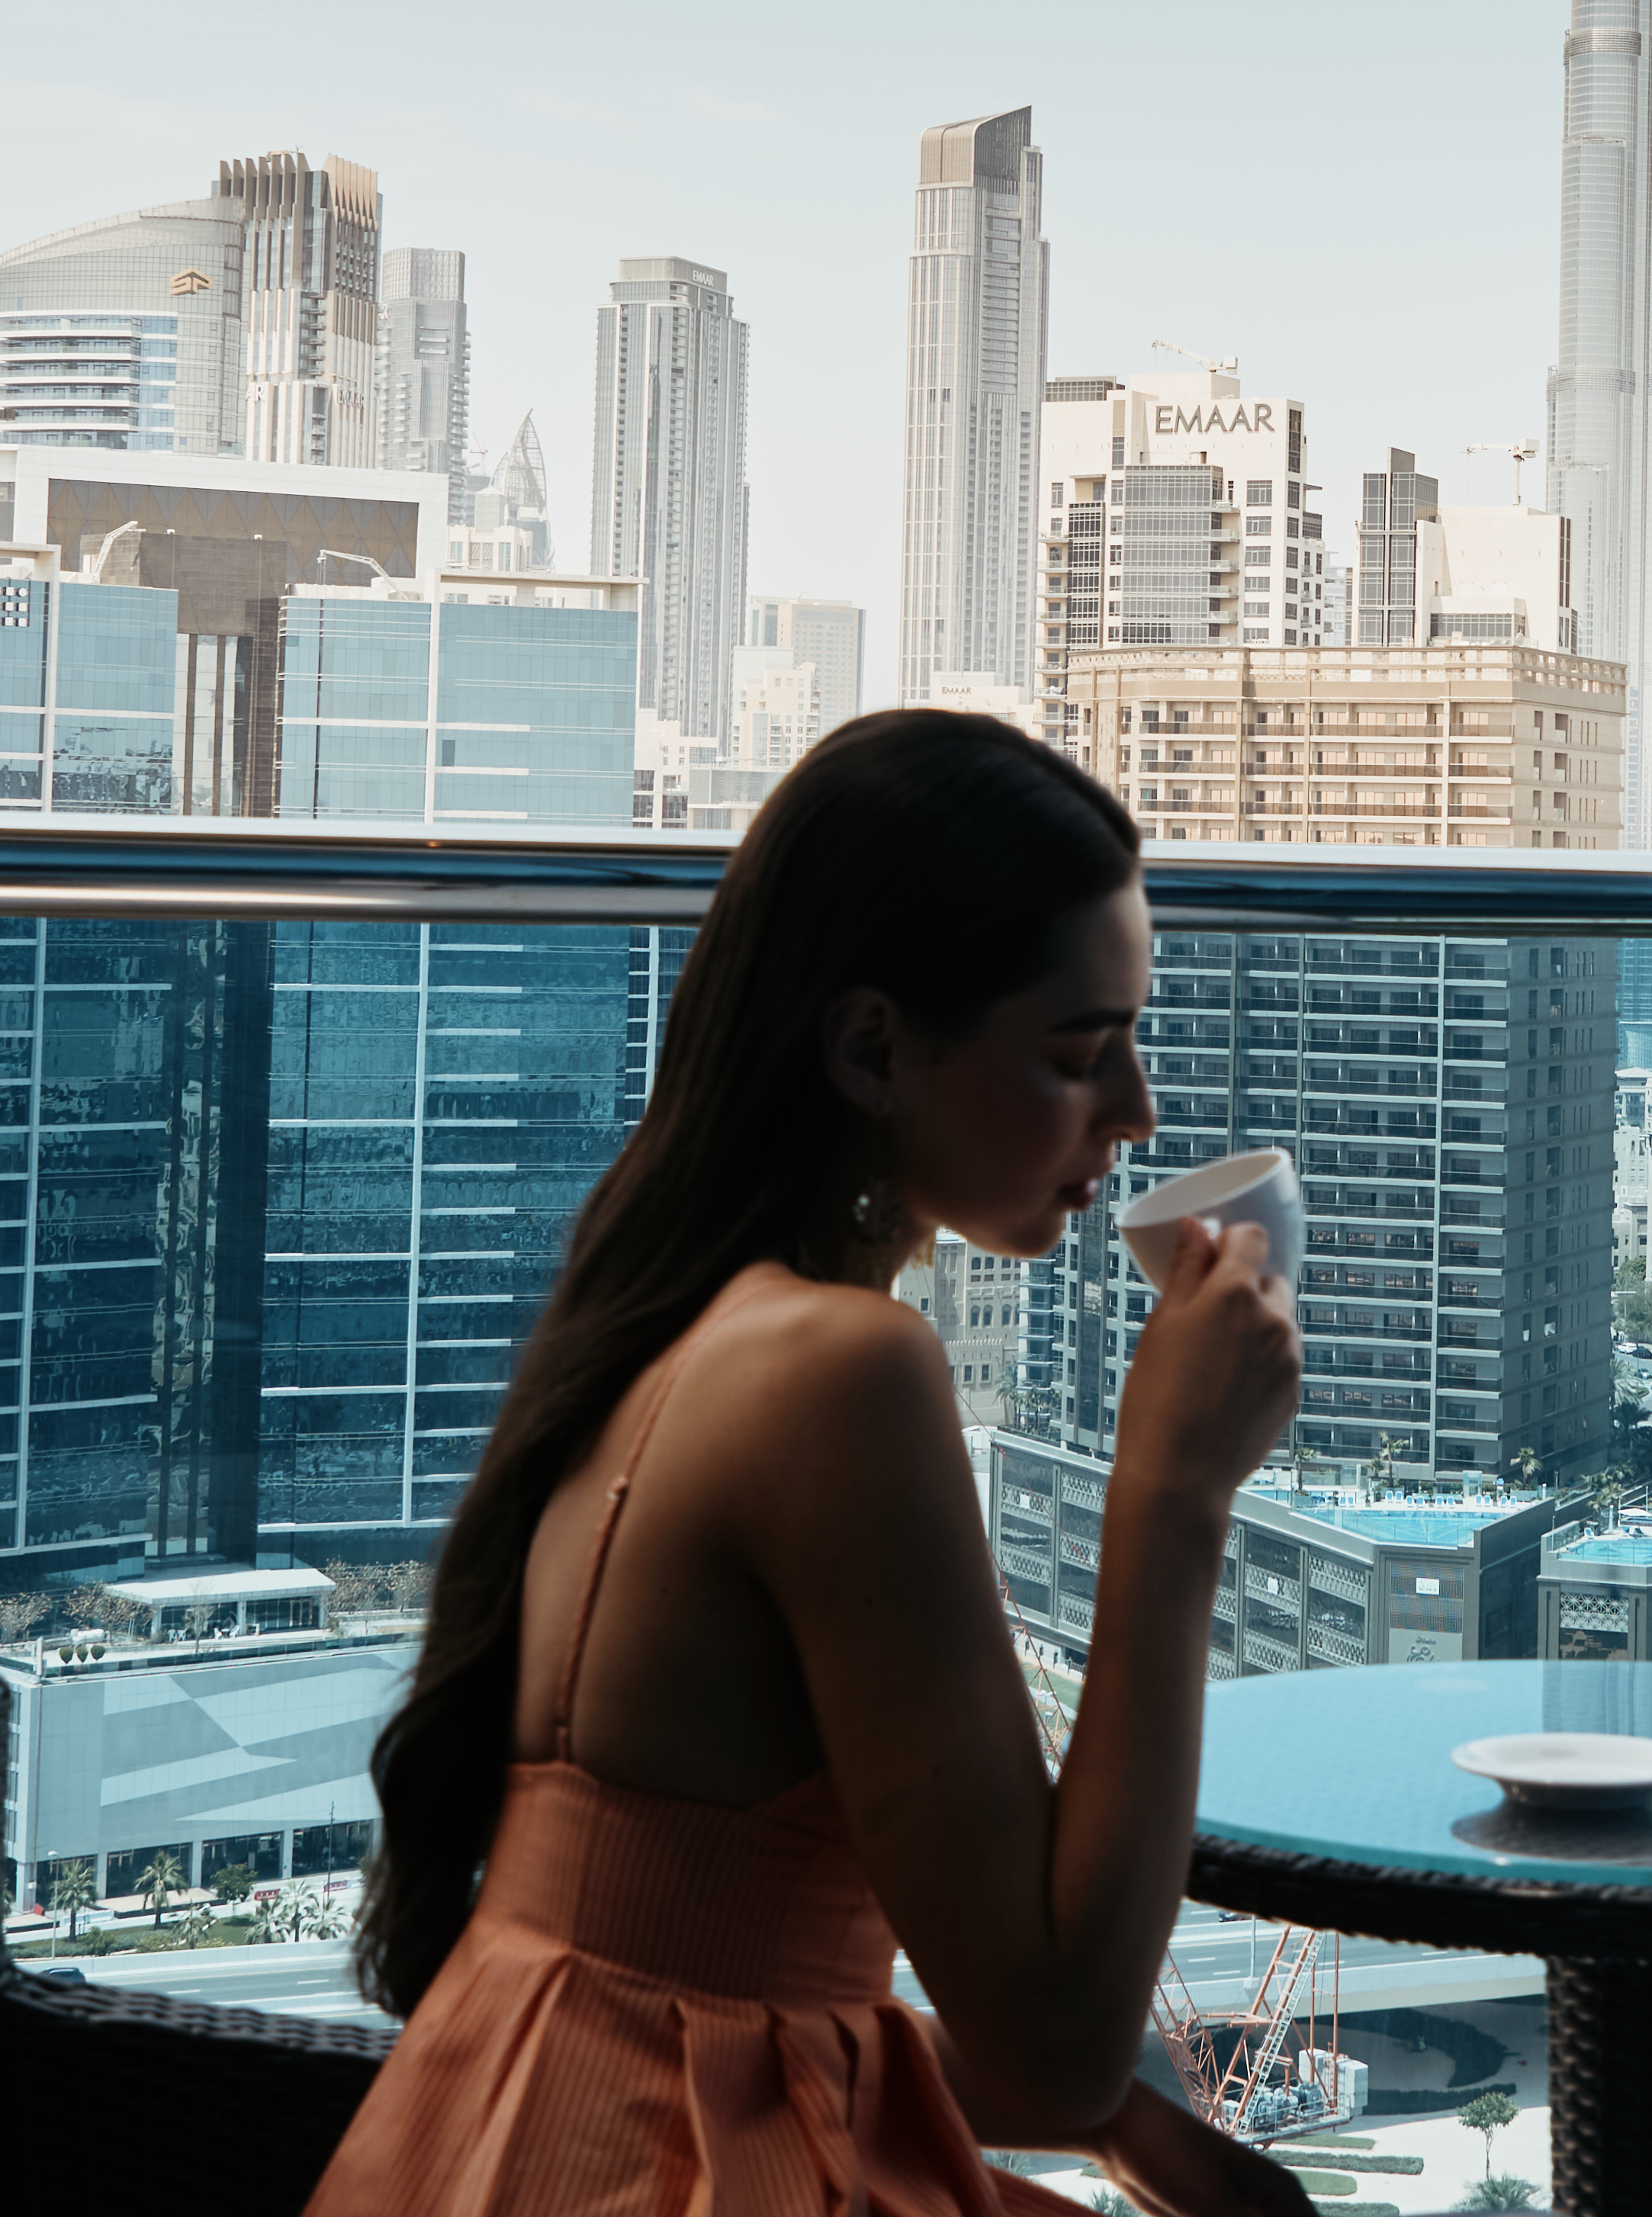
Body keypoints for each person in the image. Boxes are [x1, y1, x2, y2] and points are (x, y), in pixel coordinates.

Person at [313, 710, 1310, 2217]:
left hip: (514, 2127)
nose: (1137, 1112)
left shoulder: (673, 1320)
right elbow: (1051, 2052)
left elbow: (702, 1974)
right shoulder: (846, 1376)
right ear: (870, 1047)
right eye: (1078, 1051)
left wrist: (1139, 2130)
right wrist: (1173, 1494)